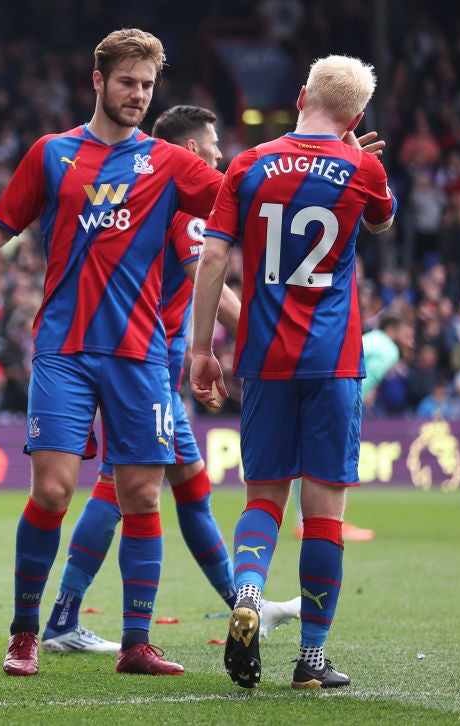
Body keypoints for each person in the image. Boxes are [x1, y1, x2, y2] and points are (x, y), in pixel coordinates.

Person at [0, 28, 224, 677]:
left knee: (141, 497)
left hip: (138, 354)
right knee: (50, 491)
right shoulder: (52, 154)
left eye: (148, 85)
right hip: (64, 350)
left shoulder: (169, 162)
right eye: (128, 82)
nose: (138, 94)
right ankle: (24, 632)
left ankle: (135, 643)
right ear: (97, 81)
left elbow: (238, 196)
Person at [40, 105, 299, 657]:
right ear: (187, 151)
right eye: (211, 147)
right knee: (128, 486)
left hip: (149, 363)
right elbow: (208, 279)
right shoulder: (181, 206)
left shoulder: (161, 193)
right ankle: (70, 617)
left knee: (186, 489)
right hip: (142, 367)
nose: (219, 156)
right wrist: (272, 346)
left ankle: (243, 604)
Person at [190, 55, 396, 690]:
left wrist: (203, 349)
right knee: (325, 510)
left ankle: (247, 593)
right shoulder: (364, 165)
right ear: (356, 117)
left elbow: (215, 255)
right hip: (333, 362)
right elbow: (382, 221)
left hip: (265, 358)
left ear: (301, 94)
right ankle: (310, 660)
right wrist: (350, 158)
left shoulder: (248, 165)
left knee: (263, 498)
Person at [293, 312, 415, 540]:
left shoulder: (372, 339)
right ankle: (332, 521)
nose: (410, 340)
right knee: (335, 460)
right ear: (392, 331)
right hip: (335, 400)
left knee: (306, 457)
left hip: (314, 387)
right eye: (407, 334)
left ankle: (303, 521)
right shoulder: (389, 349)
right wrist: (350, 409)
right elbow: (366, 381)